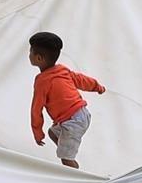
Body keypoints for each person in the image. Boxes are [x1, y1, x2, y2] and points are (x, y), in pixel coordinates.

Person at [28, 32, 105, 168]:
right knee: (53, 132)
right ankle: (67, 147)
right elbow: (81, 80)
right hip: (81, 115)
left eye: (30, 52)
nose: (29, 55)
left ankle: (76, 175)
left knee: (66, 159)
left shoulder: (42, 81)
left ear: (39, 58)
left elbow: (36, 109)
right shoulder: (62, 69)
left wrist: (37, 132)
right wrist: (97, 86)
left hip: (72, 122)